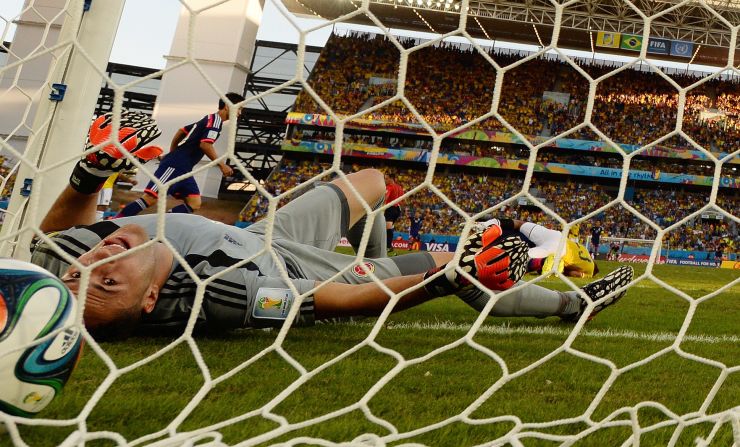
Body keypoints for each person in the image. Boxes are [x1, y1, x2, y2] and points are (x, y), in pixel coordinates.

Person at [30, 112, 634, 340]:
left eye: (87, 272)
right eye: (109, 284)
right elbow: (338, 300)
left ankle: (384, 244)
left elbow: (59, 234)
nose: (97, 266)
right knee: (456, 269)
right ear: (154, 297)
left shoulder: (80, 263)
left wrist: (86, 179)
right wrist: (438, 281)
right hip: (297, 266)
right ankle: (567, 305)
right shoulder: (226, 294)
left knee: (372, 183)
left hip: (267, 230)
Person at [115, 92, 244, 218]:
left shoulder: (210, 119)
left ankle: (160, 227)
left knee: (194, 203)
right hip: (176, 165)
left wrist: (172, 151)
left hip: (184, 169)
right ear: (228, 106)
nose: (239, 113)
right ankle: (113, 221)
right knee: (150, 199)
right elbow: (205, 145)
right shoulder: (215, 122)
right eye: (239, 108)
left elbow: (182, 131)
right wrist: (222, 165)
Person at [384, 173, 404, 254]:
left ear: (391, 179)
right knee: (388, 227)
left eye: (386, 178)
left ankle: (388, 246)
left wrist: (382, 206)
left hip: (390, 208)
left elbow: (386, 197)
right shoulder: (399, 187)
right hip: (398, 209)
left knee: (387, 227)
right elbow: (402, 198)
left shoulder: (389, 187)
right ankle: (388, 245)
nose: (385, 180)